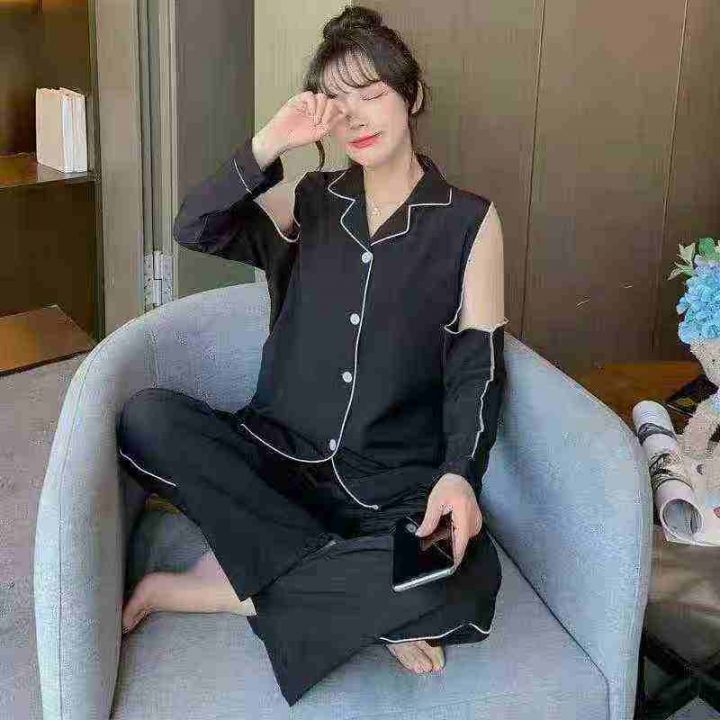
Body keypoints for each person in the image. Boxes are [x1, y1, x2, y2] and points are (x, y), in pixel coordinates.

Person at [115, 5, 508, 707]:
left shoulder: (469, 221)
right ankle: (357, 602)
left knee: (462, 576)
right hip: (276, 462)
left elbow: (478, 369)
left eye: (372, 94)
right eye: (338, 103)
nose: (356, 117)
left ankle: (238, 587)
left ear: (412, 95)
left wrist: (459, 475)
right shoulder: (311, 199)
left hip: (389, 492)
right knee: (146, 419)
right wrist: (272, 140)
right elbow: (195, 226)